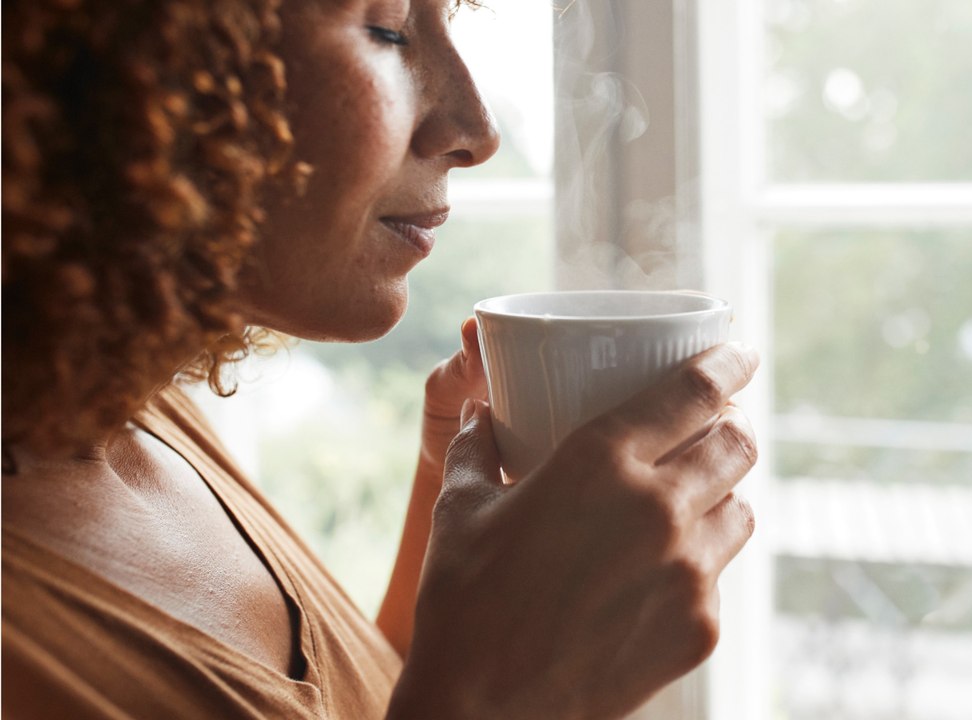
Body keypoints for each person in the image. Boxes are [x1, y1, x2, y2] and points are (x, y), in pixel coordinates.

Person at [1, 0, 759, 718]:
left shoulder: (123, 411)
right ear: (137, 61)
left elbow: (377, 699)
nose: (476, 129)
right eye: (391, 29)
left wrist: (459, 503)